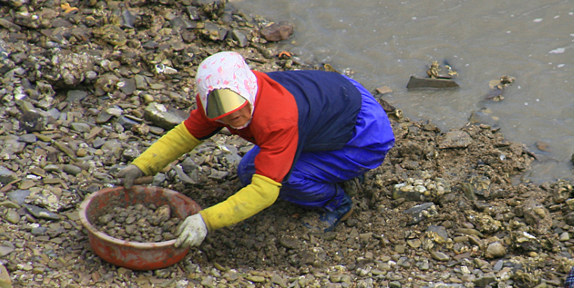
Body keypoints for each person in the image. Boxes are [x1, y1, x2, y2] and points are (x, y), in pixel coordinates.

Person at [117, 51, 395, 248]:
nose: (232, 120)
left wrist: (206, 220)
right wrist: (143, 165)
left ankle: (336, 202)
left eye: (238, 112)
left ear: (248, 90)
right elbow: (186, 135)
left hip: (362, 135)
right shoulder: (215, 100)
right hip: (334, 105)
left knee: (280, 179)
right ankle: (330, 170)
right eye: (223, 117)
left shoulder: (277, 118)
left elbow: (265, 191)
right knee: (249, 170)